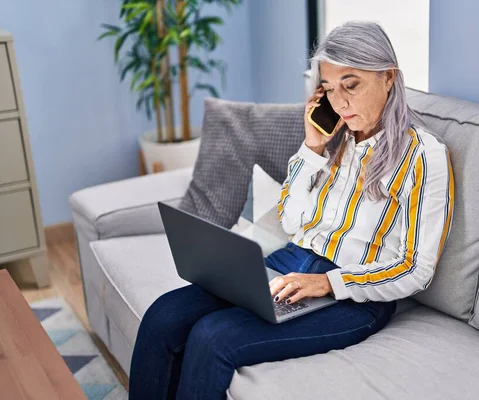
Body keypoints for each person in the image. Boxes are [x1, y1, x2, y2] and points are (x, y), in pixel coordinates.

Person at [128, 21, 455, 400]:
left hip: (351, 297)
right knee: (163, 316)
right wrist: (312, 147)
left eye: (351, 85)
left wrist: (328, 283)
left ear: (388, 77)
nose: (340, 103)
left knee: (212, 338)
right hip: (290, 263)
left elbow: (417, 268)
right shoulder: (337, 139)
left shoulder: (423, 156)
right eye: (330, 89)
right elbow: (291, 219)